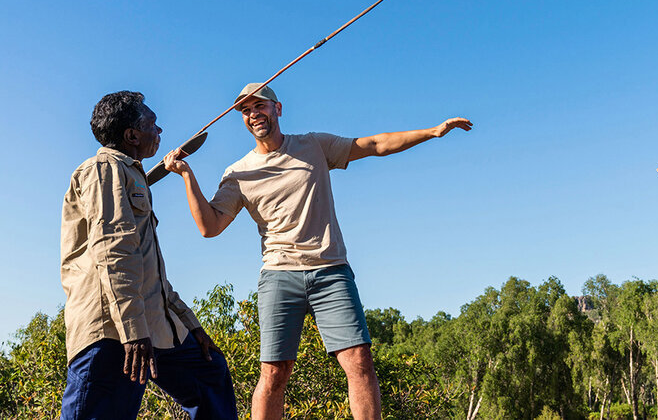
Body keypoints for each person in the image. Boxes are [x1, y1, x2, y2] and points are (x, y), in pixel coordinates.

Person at [163, 83, 472, 420]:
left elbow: (374, 144)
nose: (254, 114)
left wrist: (433, 131)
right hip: (279, 275)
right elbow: (210, 227)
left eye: (260, 106)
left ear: (278, 109)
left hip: (331, 270)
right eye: (246, 110)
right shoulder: (238, 174)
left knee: (359, 362)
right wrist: (186, 176)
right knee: (274, 373)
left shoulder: (313, 145)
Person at [60, 91, 238, 419]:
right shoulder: (105, 168)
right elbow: (113, 250)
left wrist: (191, 325)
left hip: (153, 326)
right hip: (113, 331)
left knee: (210, 375)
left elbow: (151, 271)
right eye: (153, 124)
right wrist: (131, 330)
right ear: (131, 135)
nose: (160, 132)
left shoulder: (133, 175)